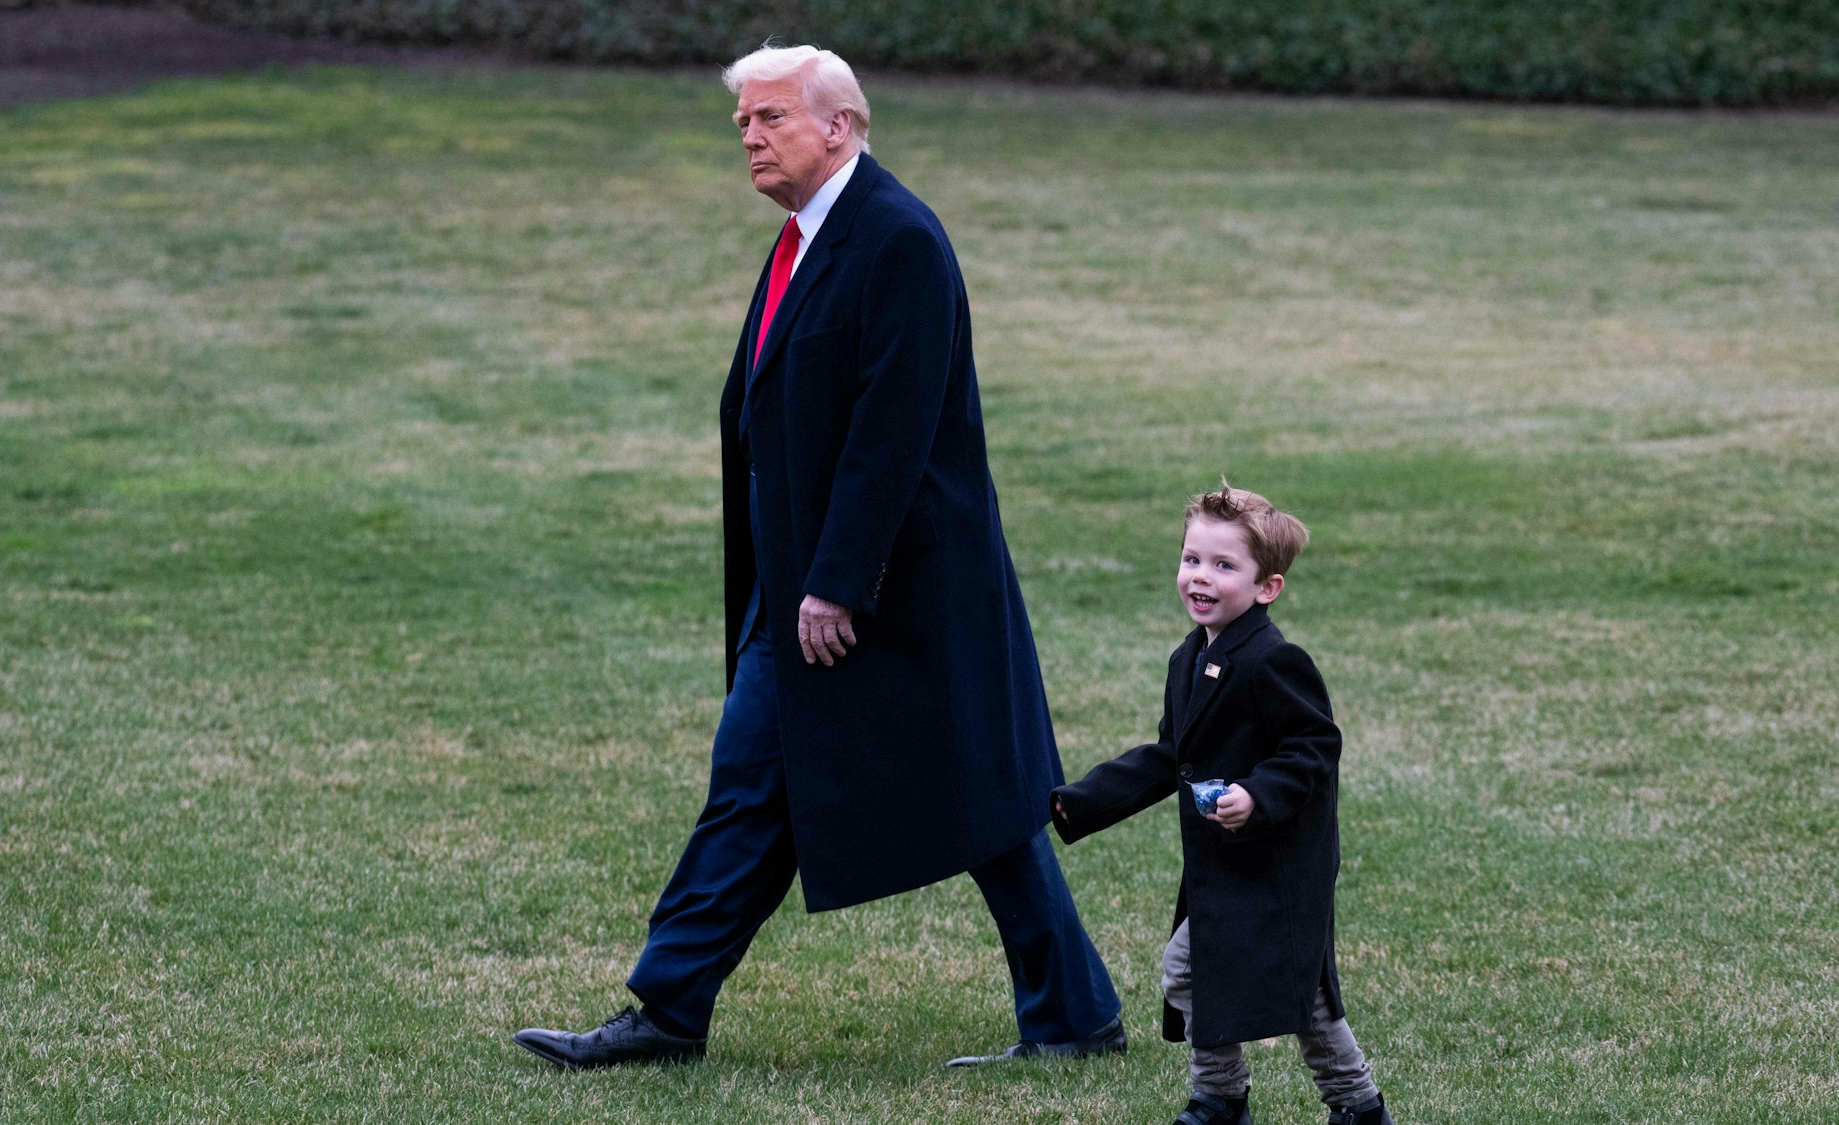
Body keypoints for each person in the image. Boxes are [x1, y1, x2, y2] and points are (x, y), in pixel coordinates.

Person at [513, 43, 1122, 1071]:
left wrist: (837, 581)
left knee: (983, 805)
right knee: (757, 787)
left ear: (841, 124)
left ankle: (1071, 1016)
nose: (750, 137)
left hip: (890, 592)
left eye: (772, 119)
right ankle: (668, 1010)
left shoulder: (894, 238)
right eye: (742, 123)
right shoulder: (809, 234)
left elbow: (894, 429)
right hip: (802, 585)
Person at [1050, 485, 1393, 1125]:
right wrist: (1080, 803)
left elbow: (1315, 745)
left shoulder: (1272, 661)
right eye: (1191, 560)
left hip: (1278, 864)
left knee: (1300, 997)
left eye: (1223, 566)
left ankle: (1355, 1104)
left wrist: (1257, 794)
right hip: (1223, 866)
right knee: (1199, 971)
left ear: (1268, 588)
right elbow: (1169, 756)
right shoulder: (1190, 657)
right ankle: (1220, 1095)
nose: (1200, 577)